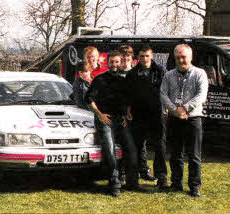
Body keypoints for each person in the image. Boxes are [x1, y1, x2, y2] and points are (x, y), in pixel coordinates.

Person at [84, 50, 141, 197]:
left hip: (120, 120)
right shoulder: (99, 79)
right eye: (112, 62)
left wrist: (126, 113)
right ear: (107, 62)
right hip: (105, 120)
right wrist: (100, 115)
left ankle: (132, 183)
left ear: (121, 62)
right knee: (110, 151)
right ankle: (114, 183)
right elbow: (88, 99)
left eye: (117, 62)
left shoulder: (124, 80)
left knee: (132, 150)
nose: (114, 65)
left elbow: (129, 99)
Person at [160, 44, 208, 197]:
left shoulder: (200, 74)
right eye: (178, 57)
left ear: (191, 57)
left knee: (194, 155)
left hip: (193, 118)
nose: (181, 60)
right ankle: (176, 184)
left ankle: (194, 186)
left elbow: (202, 95)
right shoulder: (168, 75)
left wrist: (185, 108)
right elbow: (162, 94)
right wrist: (175, 110)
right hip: (175, 119)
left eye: (184, 57)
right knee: (175, 154)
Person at [126, 45, 168, 188]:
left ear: (152, 56)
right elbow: (129, 94)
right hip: (139, 114)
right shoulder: (132, 74)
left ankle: (161, 177)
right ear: (138, 57)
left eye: (147, 56)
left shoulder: (161, 71)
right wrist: (128, 110)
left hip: (157, 113)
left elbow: (166, 91)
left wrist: (166, 107)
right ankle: (134, 179)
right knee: (137, 146)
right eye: (142, 56)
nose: (144, 59)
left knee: (160, 145)